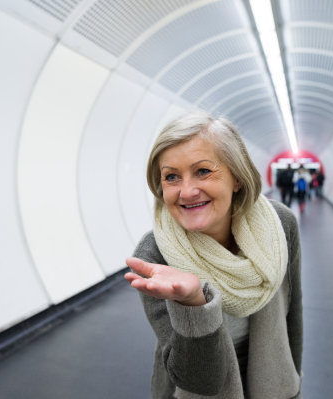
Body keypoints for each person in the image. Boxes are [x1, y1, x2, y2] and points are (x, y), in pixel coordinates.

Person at [124, 110, 303, 399]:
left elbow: (292, 314)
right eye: (171, 177)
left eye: (203, 171)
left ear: (237, 177)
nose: (187, 191)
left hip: (273, 380)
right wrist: (193, 306)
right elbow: (200, 383)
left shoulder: (279, 225)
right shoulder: (154, 255)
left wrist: (293, 382)